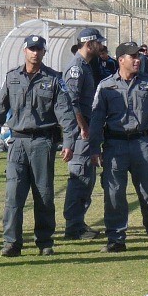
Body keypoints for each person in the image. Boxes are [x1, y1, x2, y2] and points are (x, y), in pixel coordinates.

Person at [0, 35, 78, 257]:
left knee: (43, 194)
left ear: (44, 52)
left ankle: (44, 241)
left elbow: (65, 113)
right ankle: (11, 242)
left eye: (39, 49)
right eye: (31, 49)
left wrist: (69, 140)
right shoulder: (12, 78)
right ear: (24, 51)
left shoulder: (54, 79)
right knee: (13, 195)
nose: (35, 53)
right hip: (17, 142)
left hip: (43, 143)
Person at [89, 41, 148, 253]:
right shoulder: (106, 86)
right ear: (121, 60)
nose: (138, 60)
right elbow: (97, 119)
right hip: (114, 145)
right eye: (133, 56)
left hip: (141, 144)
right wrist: (94, 148)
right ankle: (116, 238)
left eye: (139, 56)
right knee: (114, 193)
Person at [62, 27, 106, 240]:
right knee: (80, 177)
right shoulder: (76, 68)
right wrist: (83, 126)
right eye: (99, 43)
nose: (102, 46)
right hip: (82, 133)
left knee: (87, 177)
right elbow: (71, 101)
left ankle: (78, 223)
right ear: (89, 44)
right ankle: (73, 227)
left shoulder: (86, 66)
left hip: (88, 130)